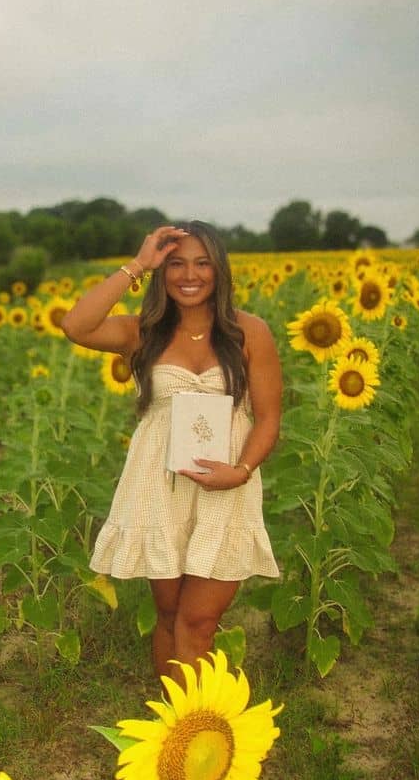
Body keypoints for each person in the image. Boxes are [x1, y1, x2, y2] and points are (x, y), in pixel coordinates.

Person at [61, 221, 281, 685]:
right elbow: (76, 325)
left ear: (219, 271)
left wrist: (239, 471)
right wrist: (137, 265)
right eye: (177, 263)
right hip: (159, 487)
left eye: (203, 263)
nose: (190, 274)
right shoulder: (143, 333)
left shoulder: (250, 332)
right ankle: (169, 722)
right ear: (163, 272)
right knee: (168, 613)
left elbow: (268, 419)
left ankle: (195, 726)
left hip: (225, 486)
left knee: (198, 621)